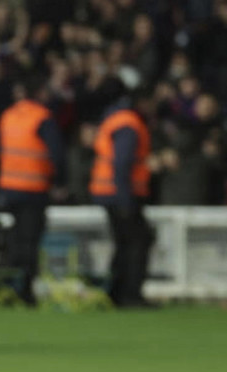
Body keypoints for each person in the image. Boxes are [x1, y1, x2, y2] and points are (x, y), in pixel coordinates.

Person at [0, 72, 67, 306]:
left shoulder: (8, 115)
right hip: (33, 188)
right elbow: (56, 154)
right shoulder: (42, 117)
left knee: (12, 239)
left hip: (7, 189)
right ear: (40, 93)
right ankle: (24, 290)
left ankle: (6, 287)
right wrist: (60, 182)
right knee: (29, 240)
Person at [89, 82, 155, 308]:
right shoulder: (129, 124)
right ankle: (130, 294)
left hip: (109, 191)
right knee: (137, 241)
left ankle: (116, 292)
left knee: (125, 242)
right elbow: (122, 163)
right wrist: (126, 199)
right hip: (120, 193)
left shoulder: (115, 119)